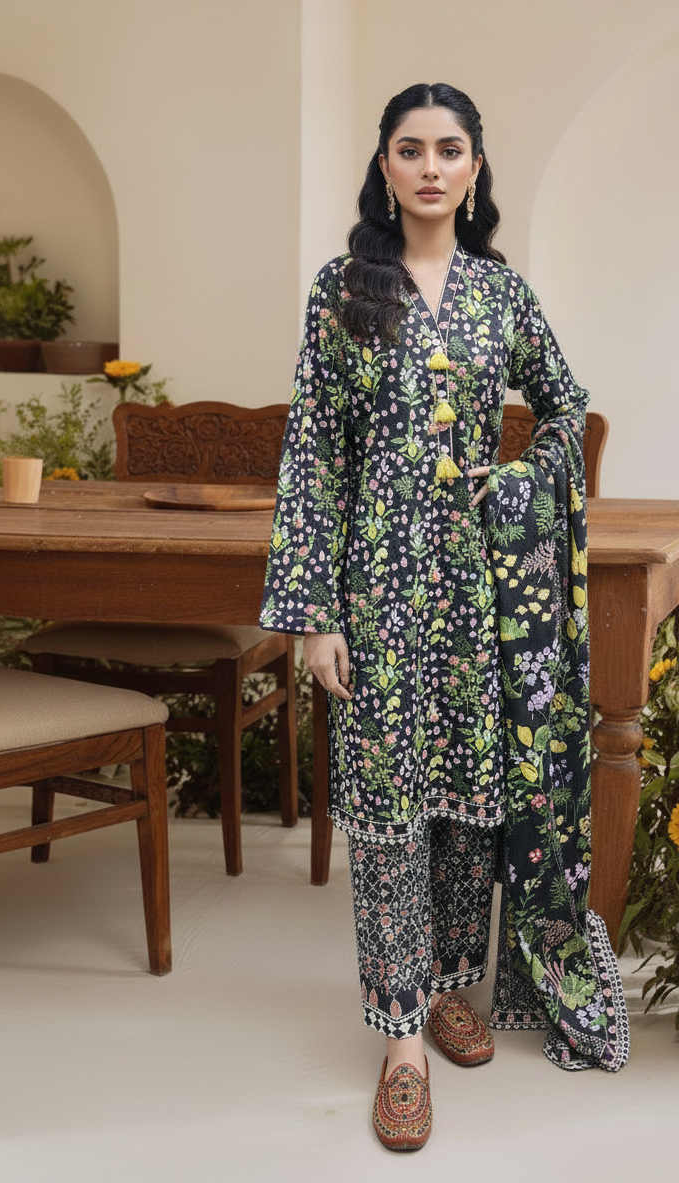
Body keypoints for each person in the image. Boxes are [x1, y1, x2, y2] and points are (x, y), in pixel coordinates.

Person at [260, 81, 628, 1152]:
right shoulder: (343, 291)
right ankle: (400, 1040)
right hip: (375, 595)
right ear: (384, 164)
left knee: (469, 801)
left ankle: (453, 986)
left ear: (473, 169)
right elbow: (313, 455)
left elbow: (565, 405)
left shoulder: (499, 295)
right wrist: (312, 613)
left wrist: (517, 484)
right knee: (386, 808)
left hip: (477, 593)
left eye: (449, 149)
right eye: (411, 148)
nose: (430, 166)